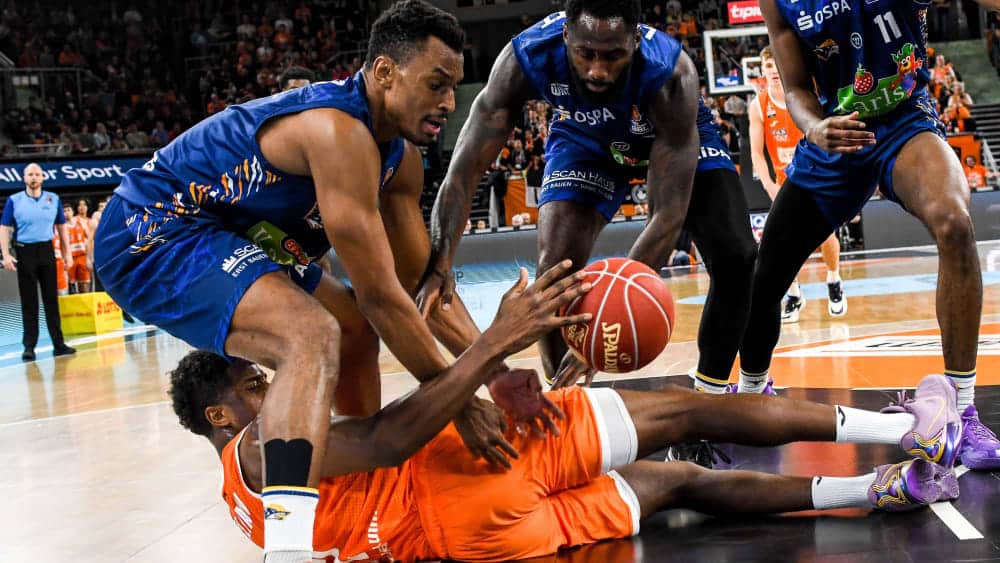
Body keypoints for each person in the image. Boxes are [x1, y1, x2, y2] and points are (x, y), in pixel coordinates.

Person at [93, 3, 544, 561]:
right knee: (309, 333)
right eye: (435, 84)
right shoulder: (337, 132)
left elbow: (417, 288)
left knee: (351, 329)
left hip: (236, 234)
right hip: (151, 231)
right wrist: (458, 397)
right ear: (385, 72)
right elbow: (381, 297)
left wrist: (495, 376)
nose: (449, 103)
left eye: (453, 87)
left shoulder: (400, 160)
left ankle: (359, 487)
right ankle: (288, 548)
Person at [171, 324, 963, 561]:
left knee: (678, 483)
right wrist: (492, 350)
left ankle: (878, 488)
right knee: (689, 410)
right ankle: (906, 428)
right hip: (469, 466)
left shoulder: (244, 508)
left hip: (477, 539)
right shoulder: (263, 444)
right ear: (220, 415)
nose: (270, 388)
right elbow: (389, 435)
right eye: (252, 383)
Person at [422, 0, 759, 396]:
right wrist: (441, 260)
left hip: (667, 130)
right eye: (585, 53)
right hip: (586, 136)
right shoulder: (525, 57)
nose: (598, 70)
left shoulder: (670, 72)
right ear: (565, 35)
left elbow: (667, 215)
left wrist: (604, 319)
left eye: (613, 55)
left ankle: (710, 394)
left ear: (635, 41)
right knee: (554, 271)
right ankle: (563, 400)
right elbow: (463, 171)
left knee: (737, 255)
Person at [749, 0, 1000, 469]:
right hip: (837, 131)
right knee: (765, 275)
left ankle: (962, 412)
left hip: (904, 121)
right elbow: (797, 86)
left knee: (954, 223)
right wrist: (814, 127)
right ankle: (750, 393)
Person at [748, 46, 845, 323]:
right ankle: (793, 294)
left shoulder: (805, 96)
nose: (772, 71)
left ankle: (834, 279)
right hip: (784, 181)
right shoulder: (759, 106)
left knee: (825, 234)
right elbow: (756, 154)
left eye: (775, 65)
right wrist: (769, 185)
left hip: (815, 175)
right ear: (762, 71)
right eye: (767, 67)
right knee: (779, 242)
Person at [0, 163, 77, 360]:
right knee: (29, 301)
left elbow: (62, 227)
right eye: (30, 174)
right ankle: (29, 347)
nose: (33, 177)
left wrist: (67, 253)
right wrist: (6, 254)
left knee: (51, 299)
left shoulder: (53, 199)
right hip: (25, 251)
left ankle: (59, 344)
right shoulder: (14, 200)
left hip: (47, 250)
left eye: (36, 174)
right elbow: (4, 228)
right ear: (24, 178)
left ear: (42, 177)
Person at [62, 203, 91, 293]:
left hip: (82, 257)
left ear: (73, 212)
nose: (67, 213)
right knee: (72, 286)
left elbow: (89, 239)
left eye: (68, 210)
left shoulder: (81, 222)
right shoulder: (62, 226)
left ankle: (86, 302)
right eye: (64, 211)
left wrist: (89, 258)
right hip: (70, 259)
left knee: (84, 284)